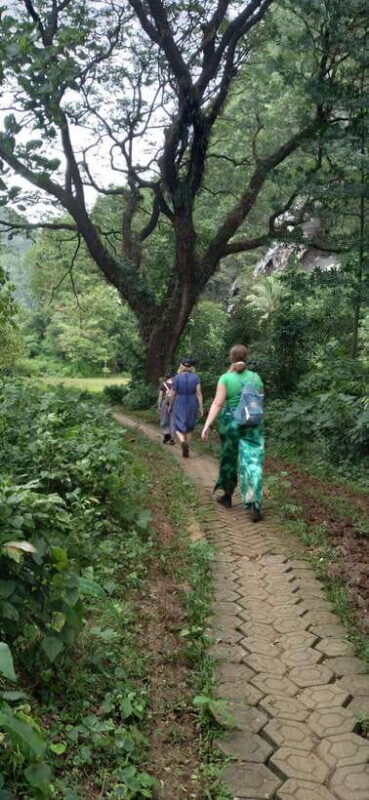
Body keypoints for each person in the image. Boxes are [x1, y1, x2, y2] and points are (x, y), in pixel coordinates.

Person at [201, 344, 264, 522]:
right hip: (253, 425)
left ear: (231, 358)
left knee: (229, 459)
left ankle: (227, 497)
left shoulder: (226, 378)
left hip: (232, 424)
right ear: (247, 357)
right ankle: (254, 505)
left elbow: (218, 404)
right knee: (252, 462)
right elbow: (258, 402)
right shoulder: (256, 378)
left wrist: (207, 425)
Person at [170, 358, 203, 458]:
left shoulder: (177, 378)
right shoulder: (196, 378)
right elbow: (199, 393)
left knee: (178, 425)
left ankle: (183, 441)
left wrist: (171, 404)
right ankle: (187, 445)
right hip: (192, 402)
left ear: (182, 366)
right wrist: (201, 407)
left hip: (180, 401)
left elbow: (173, 393)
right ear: (192, 367)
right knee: (189, 427)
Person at [157, 371, 176, 444]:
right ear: (173, 377)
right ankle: (172, 438)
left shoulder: (163, 385)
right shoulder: (176, 385)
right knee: (173, 420)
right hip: (175, 404)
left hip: (165, 403)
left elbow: (160, 396)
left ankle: (166, 433)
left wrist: (159, 406)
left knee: (164, 419)